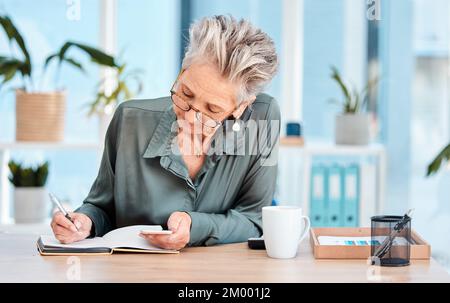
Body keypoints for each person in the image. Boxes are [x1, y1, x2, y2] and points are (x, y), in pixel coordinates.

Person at [50, 15, 280, 250]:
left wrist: (195, 226)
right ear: (182, 71)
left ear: (240, 107)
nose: (190, 118)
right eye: (186, 94)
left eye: (212, 110)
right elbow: (102, 208)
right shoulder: (129, 121)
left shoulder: (263, 118)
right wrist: (84, 221)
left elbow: (255, 220)